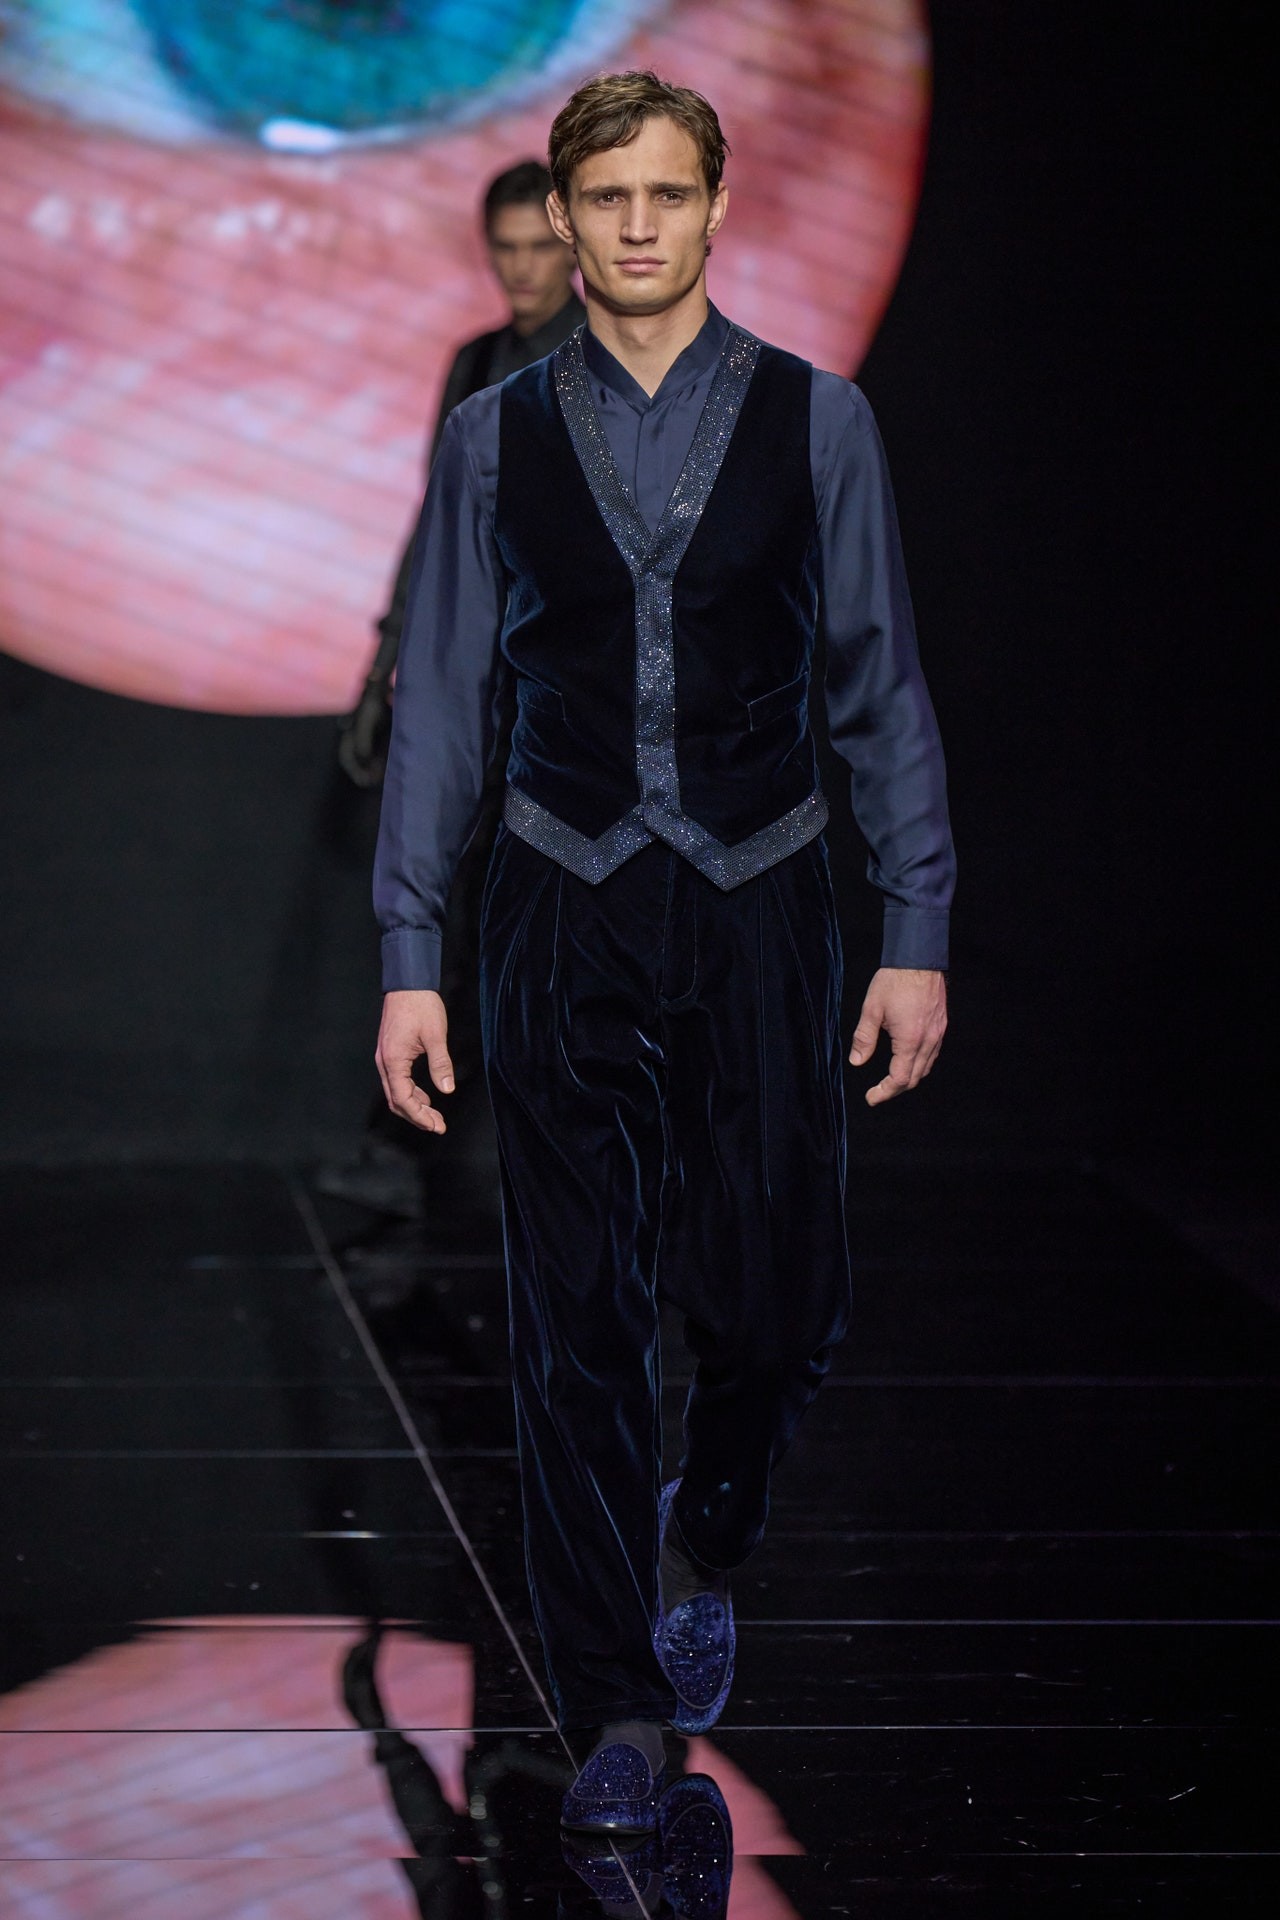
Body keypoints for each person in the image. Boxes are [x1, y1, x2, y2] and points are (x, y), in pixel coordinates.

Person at [373, 71, 955, 1835]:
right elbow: (444, 701)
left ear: (715, 208)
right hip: (559, 899)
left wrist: (916, 924)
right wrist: (410, 950)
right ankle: (615, 1701)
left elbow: (879, 682)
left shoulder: (818, 419)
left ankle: (706, 1520)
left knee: (783, 1298)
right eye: (607, 196)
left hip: (765, 893)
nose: (637, 225)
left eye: (668, 193)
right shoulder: (494, 436)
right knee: (576, 1314)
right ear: (563, 214)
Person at [320, 162, 584, 1224]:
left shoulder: (613, 357)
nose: (522, 270)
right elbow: (437, 523)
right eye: (505, 249)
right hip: (478, 687)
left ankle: (594, 1168)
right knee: (455, 914)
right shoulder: (478, 361)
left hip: (578, 697)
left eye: (537, 248)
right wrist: (382, 668)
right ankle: (405, 1147)